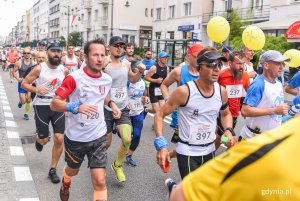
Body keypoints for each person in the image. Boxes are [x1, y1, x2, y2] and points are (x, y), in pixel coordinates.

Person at [50, 38, 121, 201]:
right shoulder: (74, 78)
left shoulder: (107, 79)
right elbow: (54, 103)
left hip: (98, 135)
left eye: (103, 55)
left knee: (100, 181)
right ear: (86, 57)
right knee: (72, 170)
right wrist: (74, 106)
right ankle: (66, 182)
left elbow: (101, 96)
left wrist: (112, 103)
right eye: (95, 55)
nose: (100, 58)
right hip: (76, 138)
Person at [168, 117, 300, 201]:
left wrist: (229, 131)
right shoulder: (216, 83)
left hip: (225, 123)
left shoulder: (241, 80)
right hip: (203, 122)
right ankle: (177, 159)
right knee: (210, 142)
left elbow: (238, 109)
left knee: (216, 144)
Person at [154, 50, 236, 179]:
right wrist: (161, 145)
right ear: (200, 67)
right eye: (211, 64)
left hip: (210, 150)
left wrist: (228, 130)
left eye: (219, 65)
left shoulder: (221, 92)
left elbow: (226, 114)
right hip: (187, 152)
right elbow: (159, 115)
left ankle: (173, 190)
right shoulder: (184, 92)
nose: (216, 69)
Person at [22, 42, 69, 184]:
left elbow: (68, 86)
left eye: (58, 51)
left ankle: (52, 169)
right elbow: (24, 83)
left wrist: (68, 103)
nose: (56, 53)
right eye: (53, 51)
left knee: (59, 138)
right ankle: (38, 139)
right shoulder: (39, 68)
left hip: (57, 104)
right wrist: (36, 90)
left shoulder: (64, 70)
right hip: (41, 105)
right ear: (47, 53)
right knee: (44, 139)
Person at [104, 36, 145, 182]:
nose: (119, 47)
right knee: (106, 143)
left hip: (123, 108)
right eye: (116, 45)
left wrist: (140, 71)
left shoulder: (126, 64)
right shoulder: (104, 64)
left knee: (127, 139)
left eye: (121, 45)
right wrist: (111, 104)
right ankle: (99, 164)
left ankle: (117, 165)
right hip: (106, 109)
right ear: (109, 47)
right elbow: (99, 89)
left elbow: (133, 79)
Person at [160, 44, 204, 156]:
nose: (199, 59)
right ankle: (175, 155)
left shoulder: (206, 72)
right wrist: (167, 99)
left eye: (202, 56)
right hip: (182, 116)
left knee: (195, 145)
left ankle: (172, 155)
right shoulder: (179, 72)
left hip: (201, 115)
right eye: (196, 56)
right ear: (188, 56)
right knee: (186, 145)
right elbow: (164, 85)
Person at [240, 50, 289, 140]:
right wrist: (274, 110)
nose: (282, 67)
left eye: (283, 64)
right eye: (278, 63)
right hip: (252, 140)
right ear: (266, 65)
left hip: (271, 138)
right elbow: (245, 111)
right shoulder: (258, 84)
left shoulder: (278, 83)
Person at [217, 50, 250, 147]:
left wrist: (247, 108)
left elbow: (250, 93)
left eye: (243, 64)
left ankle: (211, 157)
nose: (241, 67)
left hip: (234, 114)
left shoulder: (244, 75)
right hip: (222, 113)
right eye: (238, 64)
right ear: (230, 63)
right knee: (231, 142)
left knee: (221, 139)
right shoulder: (221, 75)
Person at [126, 55, 150, 166]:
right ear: (133, 69)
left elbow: (144, 95)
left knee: (136, 135)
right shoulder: (127, 81)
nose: (140, 71)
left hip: (138, 112)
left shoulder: (143, 82)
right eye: (137, 69)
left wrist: (145, 98)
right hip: (126, 113)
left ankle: (129, 155)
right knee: (125, 136)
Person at [144, 51, 169, 121]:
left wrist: (167, 92)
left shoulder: (167, 68)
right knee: (157, 111)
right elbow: (146, 77)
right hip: (153, 90)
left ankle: (146, 110)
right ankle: (156, 122)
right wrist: (156, 80)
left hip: (161, 90)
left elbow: (165, 81)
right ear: (159, 58)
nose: (165, 59)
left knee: (163, 110)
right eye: (164, 57)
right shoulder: (154, 68)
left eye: (166, 58)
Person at [12, 47, 33, 120]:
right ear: (22, 54)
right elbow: (13, 71)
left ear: (30, 54)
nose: (26, 55)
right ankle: (20, 102)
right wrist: (17, 78)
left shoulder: (33, 62)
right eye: (25, 53)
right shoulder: (19, 63)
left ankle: (26, 114)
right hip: (22, 83)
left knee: (29, 100)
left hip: (30, 83)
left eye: (28, 53)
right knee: (24, 101)